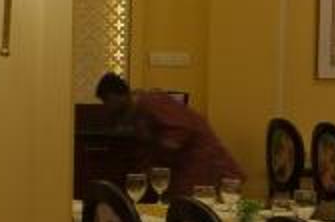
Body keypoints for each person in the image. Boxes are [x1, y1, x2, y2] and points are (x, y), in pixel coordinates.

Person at [93, 72, 242, 194]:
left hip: (204, 170)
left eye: (107, 101)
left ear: (115, 95)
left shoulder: (152, 101)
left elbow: (182, 129)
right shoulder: (137, 111)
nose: (107, 107)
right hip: (187, 174)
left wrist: (158, 158)